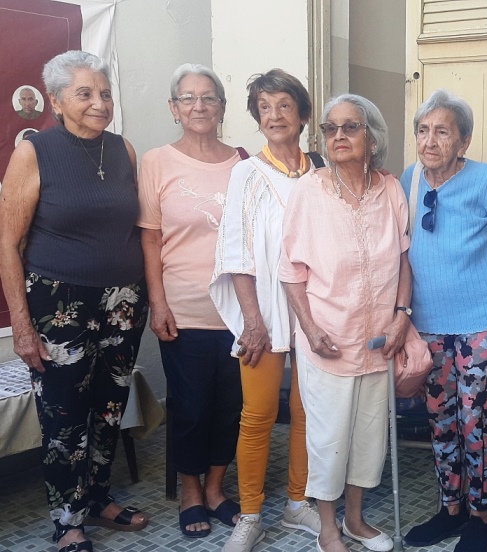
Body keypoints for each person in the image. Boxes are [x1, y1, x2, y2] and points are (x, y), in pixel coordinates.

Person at [0, 51, 148, 552]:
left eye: (105, 93)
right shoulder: (34, 152)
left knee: (109, 408)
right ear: (57, 101)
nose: (99, 103)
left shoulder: (123, 150)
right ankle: (68, 522)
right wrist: (22, 326)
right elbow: (8, 244)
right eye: (84, 93)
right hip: (58, 303)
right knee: (63, 417)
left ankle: (99, 498)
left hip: (124, 301)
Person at [279, 94, 410, 552]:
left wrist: (401, 316)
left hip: (378, 341)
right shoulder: (309, 192)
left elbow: (405, 260)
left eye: (350, 127)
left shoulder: (390, 189)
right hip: (328, 341)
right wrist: (310, 329)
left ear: (371, 138)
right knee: (329, 439)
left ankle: (355, 520)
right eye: (330, 128)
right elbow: (291, 271)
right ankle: (328, 528)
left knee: (369, 439)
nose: (338, 136)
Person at [401, 89, 487, 552]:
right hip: (430, 325)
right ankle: (450, 508)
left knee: (476, 421)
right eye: (423, 130)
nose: (430, 140)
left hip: (483, 326)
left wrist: (484, 297)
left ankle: (481, 516)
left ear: (464, 141)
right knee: (440, 419)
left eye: (442, 131)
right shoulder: (409, 180)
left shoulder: (485, 179)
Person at [211, 69, 327, 552]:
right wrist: (252, 322)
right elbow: (237, 251)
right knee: (258, 414)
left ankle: (299, 502)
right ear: (257, 118)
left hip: (317, 306)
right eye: (264, 107)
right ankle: (251, 514)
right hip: (265, 308)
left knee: (307, 410)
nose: (274, 115)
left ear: (302, 115)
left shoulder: (321, 169)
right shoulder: (247, 173)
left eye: (284, 105)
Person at [138, 63, 244, 539]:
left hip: (239, 312)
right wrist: (157, 303)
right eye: (188, 98)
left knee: (230, 406)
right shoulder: (156, 162)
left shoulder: (244, 163)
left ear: (222, 107)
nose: (199, 106)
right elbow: (150, 238)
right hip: (183, 309)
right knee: (191, 406)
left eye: (209, 97)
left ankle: (216, 488)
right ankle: (190, 491)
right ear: (174, 108)